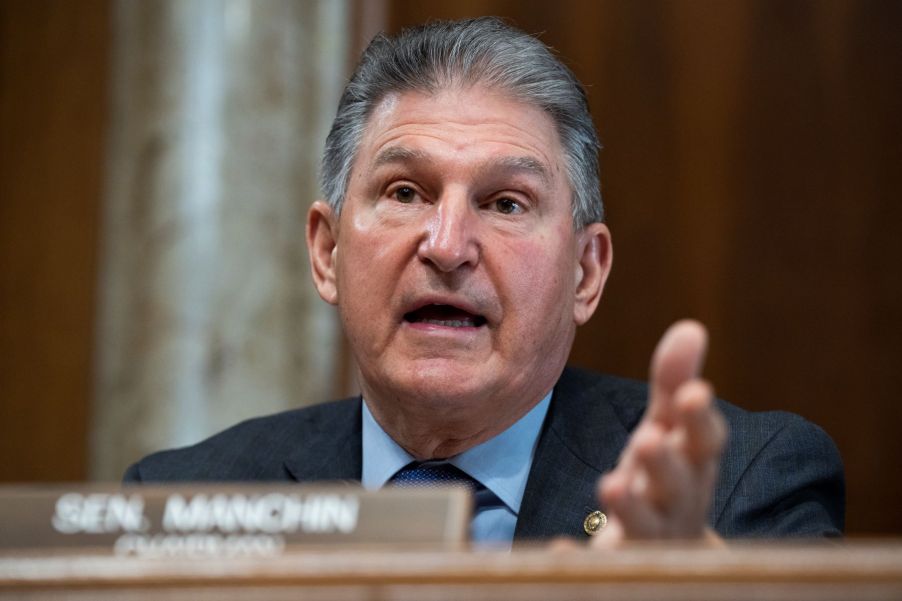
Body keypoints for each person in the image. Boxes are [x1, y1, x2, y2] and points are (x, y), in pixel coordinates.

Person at [125, 17, 844, 548]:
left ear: (586, 273)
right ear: (327, 251)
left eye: (506, 203)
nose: (447, 246)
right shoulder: (181, 500)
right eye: (405, 192)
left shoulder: (741, 490)